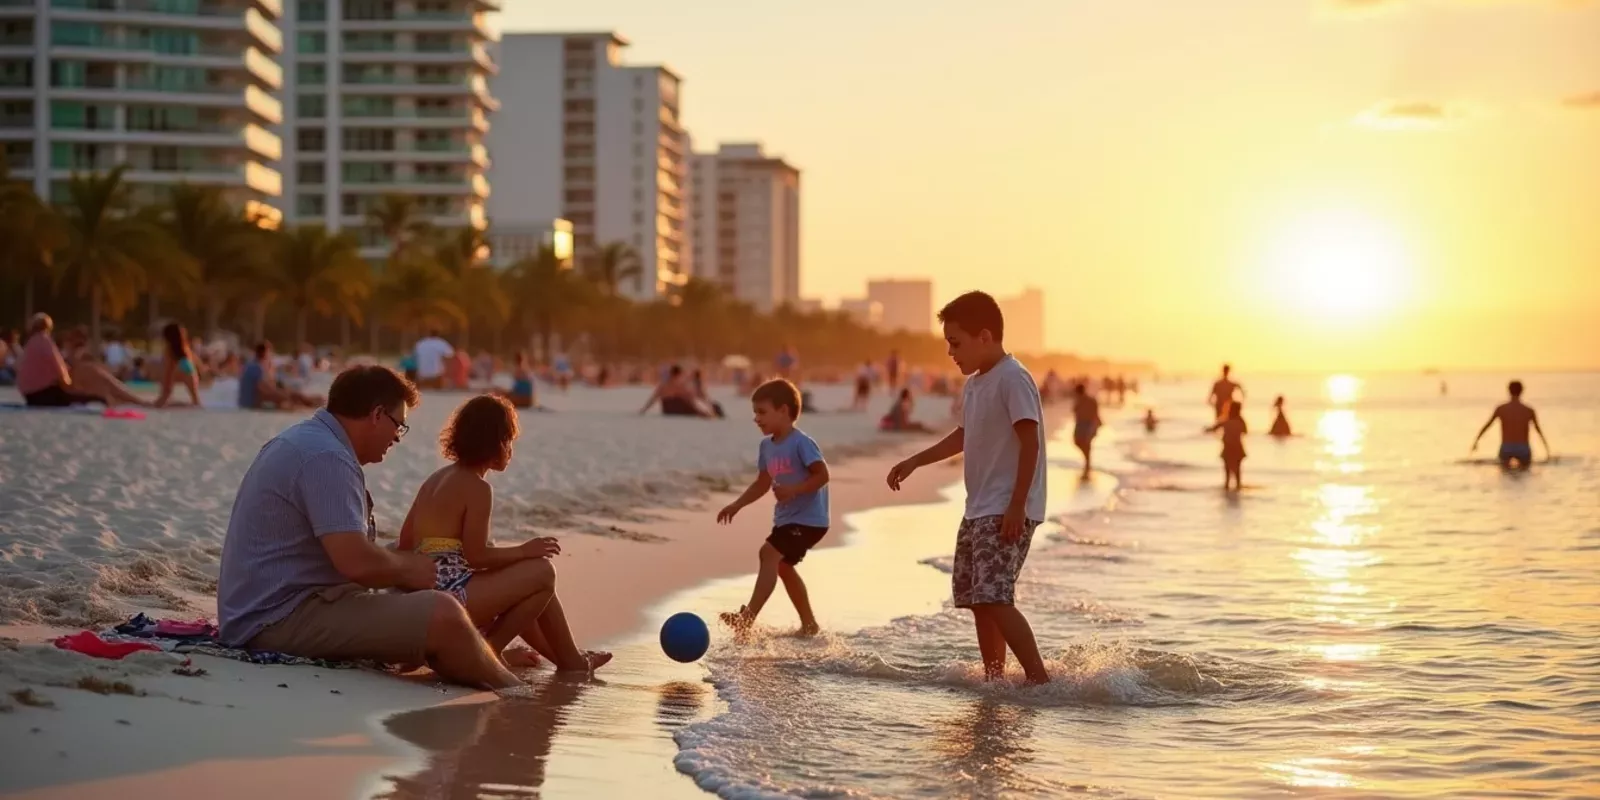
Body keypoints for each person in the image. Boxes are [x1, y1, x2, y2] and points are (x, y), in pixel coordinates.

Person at [218, 366, 542, 690]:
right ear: (376, 414)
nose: (396, 439)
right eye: (399, 426)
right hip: (277, 619)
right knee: (443, 611)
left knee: (409, 581)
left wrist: (404, 567)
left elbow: (350, 554)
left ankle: (477, 652)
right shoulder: (326, 458)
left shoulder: (310, 441)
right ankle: (513, 690)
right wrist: (408, 569)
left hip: (274, 606)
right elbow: (355, 562)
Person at [885, 291, 1050, 685]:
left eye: (955, 343)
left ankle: (1039, 680)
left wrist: (1017, 505)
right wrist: (913, 461)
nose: (950, 352)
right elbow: (962, 436)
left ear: (985, 336)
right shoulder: (976, 384)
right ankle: (995, 679)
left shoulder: (1013, 378)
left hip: (1006, 507)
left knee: (995, 596)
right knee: (979, 600)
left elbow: (1031, 443)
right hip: (978, 507)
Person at [396, 395, 610, 673]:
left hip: (426, 591)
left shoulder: (437, 478)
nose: (510, 450)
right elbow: (476, 556)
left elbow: (405, 542)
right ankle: (488, 653)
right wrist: (524, 551)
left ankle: (571, 661)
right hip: (450, 596)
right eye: (509, 441)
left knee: (529, 584)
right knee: (542, 572)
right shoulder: (477, 488)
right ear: (494, 443)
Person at [717, 379, 830, 635]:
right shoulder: (766, 446)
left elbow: (822, 475)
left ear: (784, 411)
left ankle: (746, 620)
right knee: (782, 566)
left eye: (762, 412)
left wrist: (794, 490)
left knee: (768, 553)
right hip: (788, 519)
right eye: (755, 413)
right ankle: (809, 624)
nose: (757, 418)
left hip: (810, 520)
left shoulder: (801, 442)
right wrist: (737, 505)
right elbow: (762, 483)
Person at [16, 314, 117, 407]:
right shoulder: (44, 340)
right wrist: (69, 383)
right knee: (73, 396)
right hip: (42, 394)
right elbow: (59, 367)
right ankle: (101, 400)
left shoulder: (29, 344)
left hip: (29, 395)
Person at [1471, 380, 1551, 469]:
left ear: (1508, 391)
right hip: (1523, 447)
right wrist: (1547, 449)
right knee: (1525, 475)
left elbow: (1487, 426)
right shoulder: (1528, 410)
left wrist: (1476, 441)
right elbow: (1538, 430)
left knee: (1505, 475)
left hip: (1507, 447)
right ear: (1522, 391)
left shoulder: (1501, 409)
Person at [239, 341, 321, 410]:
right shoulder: (256, 367)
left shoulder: (251, 365)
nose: (271, 356)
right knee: (288, 403)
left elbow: (267, 388)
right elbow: (264, 390)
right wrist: (286, 395)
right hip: (253, 406)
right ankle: (312, 405)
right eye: (270, 352)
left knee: (292, 399)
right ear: (265, 353)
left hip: (250, 404)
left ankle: (312, 404)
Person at [154, 322, 203, 408]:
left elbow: (168, 371)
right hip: (189, 371)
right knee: (196, 401)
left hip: (178, 370)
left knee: (165, 398)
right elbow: (196, 363)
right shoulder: (185, 348)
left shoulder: (169, 350)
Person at [639, 365, 715, 418]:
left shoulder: (662, 385)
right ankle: (707, 414)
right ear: (679, 375)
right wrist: (701, 409)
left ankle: (705, 413)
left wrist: (644, 410)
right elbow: (689, 398)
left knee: (685, 401)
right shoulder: (678, 385)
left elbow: (653, 399)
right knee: (686, 403)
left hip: (667, 410)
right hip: (677, 408)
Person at [1207, 401, 1248, 491]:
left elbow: (1214, 429)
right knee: (1237, 473)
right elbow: (1245, 431)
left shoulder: (1226, 420)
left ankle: (1228, 491)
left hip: (1228, 448)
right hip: (1237, 448)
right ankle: (1237, 489)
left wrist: (1208, 430)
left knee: (1227, 474)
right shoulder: (1240, 421)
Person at [1071, 382, 1101, 479]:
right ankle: (1087, 463)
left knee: (1086, 444)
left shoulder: (1087, 400)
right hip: (1082, 425)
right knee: (1080, 443)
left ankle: (1087, 465)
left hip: (1088, 425)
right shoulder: (1081, 400)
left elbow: (1094, 413)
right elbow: (1075, 412)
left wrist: (1095, 425)